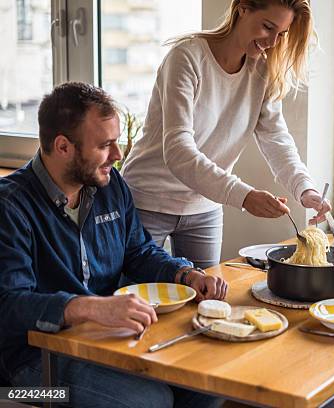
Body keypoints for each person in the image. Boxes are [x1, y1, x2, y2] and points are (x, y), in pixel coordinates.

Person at [0, 82, 227, 407]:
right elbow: (9, 305)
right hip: (29, 368)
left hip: (104, 342)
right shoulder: (10, 206)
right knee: (149, 401)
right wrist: (88, 307)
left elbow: (139, 251)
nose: (119, 155)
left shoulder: (110, 184)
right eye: (106, 145)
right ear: (63, 146)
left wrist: (186, 275)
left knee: (208, 381)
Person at [120, 0, 330, 268]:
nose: (273, 42)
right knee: (142, 302)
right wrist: (244, 196)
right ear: (242, 8)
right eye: (268, 27)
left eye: (281, 34)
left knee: (207, 301)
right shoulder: (187, 58)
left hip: (204, 207)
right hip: (148, 201)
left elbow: (277, 141)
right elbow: (178, 150)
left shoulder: (262, 72)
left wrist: (306, 189)